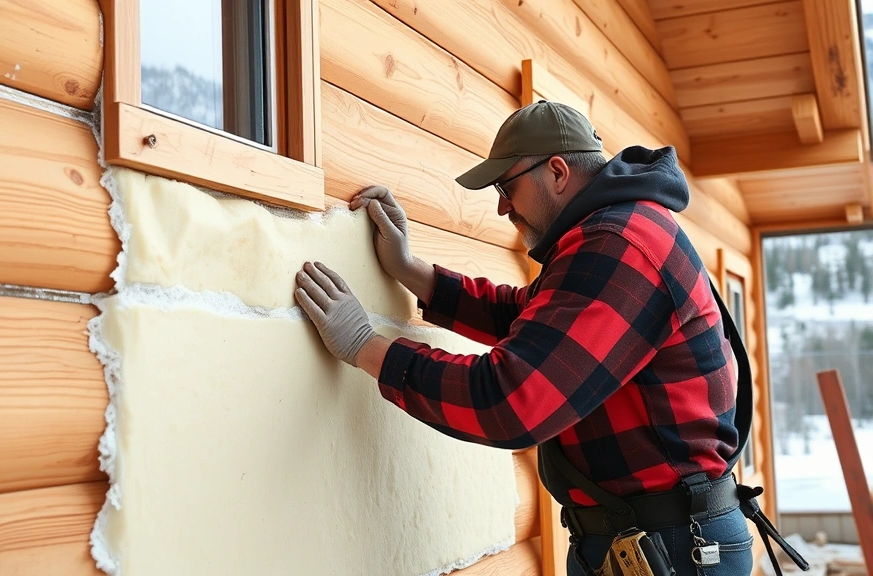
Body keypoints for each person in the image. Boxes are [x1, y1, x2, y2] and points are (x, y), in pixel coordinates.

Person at [294, 100, 754, 575]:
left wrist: (366, 347)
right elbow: (533, 319)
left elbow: (508, 402)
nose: (501, 205)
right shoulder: (610, 232)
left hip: (673, 548)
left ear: (557, 171)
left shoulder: (622, 244)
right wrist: (413, 272)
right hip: (647, 540)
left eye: (506, 185)